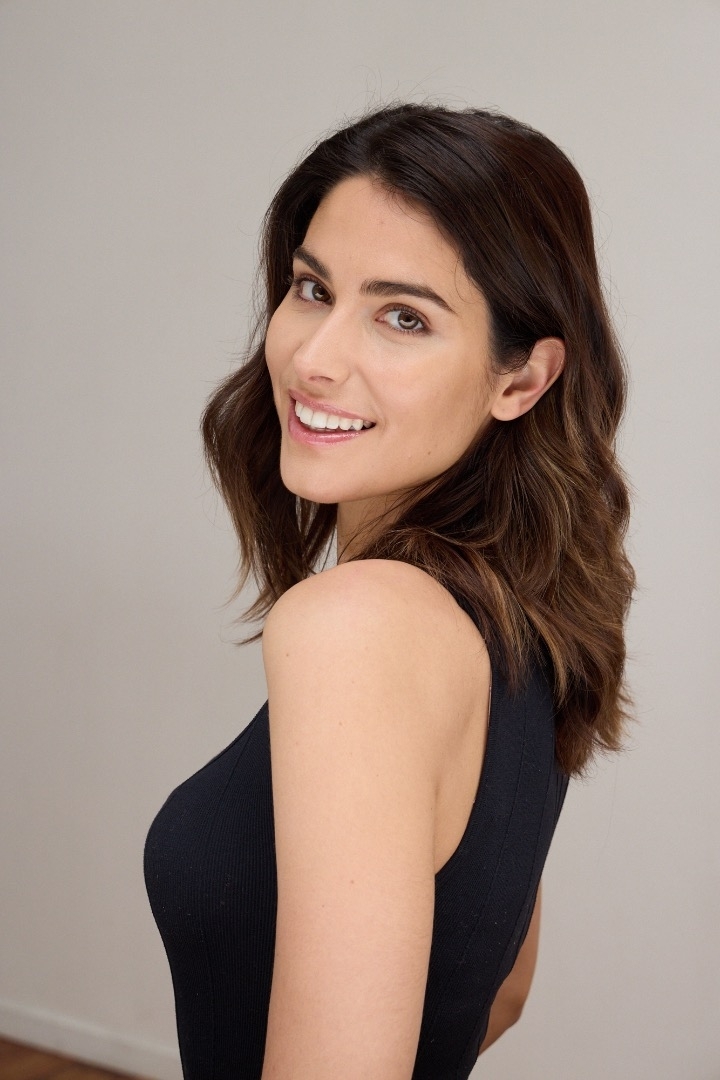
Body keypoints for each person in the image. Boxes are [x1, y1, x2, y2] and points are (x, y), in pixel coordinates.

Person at [144, 103, 634, 1080]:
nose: (314, 358)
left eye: (404, 316)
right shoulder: (528, 622)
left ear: (522, 380)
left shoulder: (355, 627)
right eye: (312, 289)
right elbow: (499, 991)